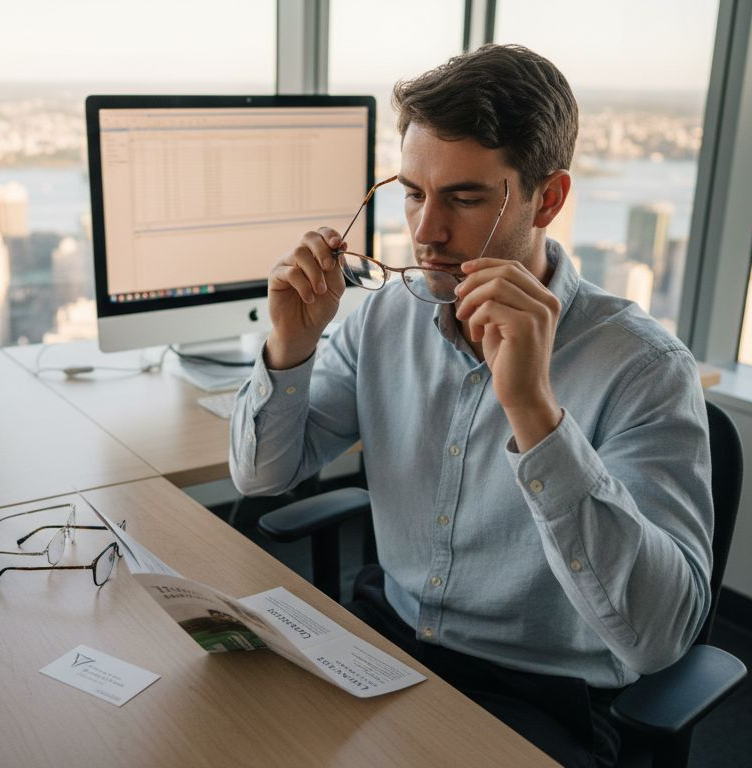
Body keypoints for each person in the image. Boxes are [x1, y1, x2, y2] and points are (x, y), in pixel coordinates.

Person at [228, 44, 713, 768]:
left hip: (539, 691)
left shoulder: (644, 368)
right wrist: (290, 347)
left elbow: (657, 637)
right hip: (385, 640)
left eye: (464, 198)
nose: (425, 233)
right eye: (414, 193)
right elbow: (263, 477)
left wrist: (533, 411)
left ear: (546, 200)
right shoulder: (379, 317)